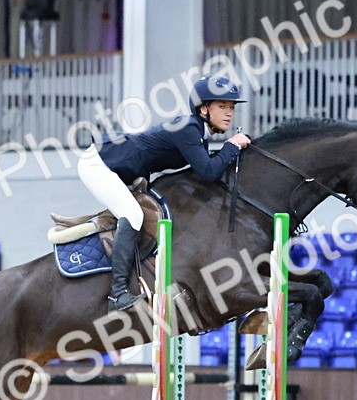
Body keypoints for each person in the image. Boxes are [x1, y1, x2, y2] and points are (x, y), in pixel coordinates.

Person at [77, 76, 252, 311]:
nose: (229, 113)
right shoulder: (189, 128)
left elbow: (209, 168)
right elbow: (208, 172)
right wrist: (232, 145)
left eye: (231, 107)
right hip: (98, 163)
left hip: (118, 165)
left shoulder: (198, 132)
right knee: (133, 214)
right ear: (203, 109)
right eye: (222, 106)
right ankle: (117, 294)